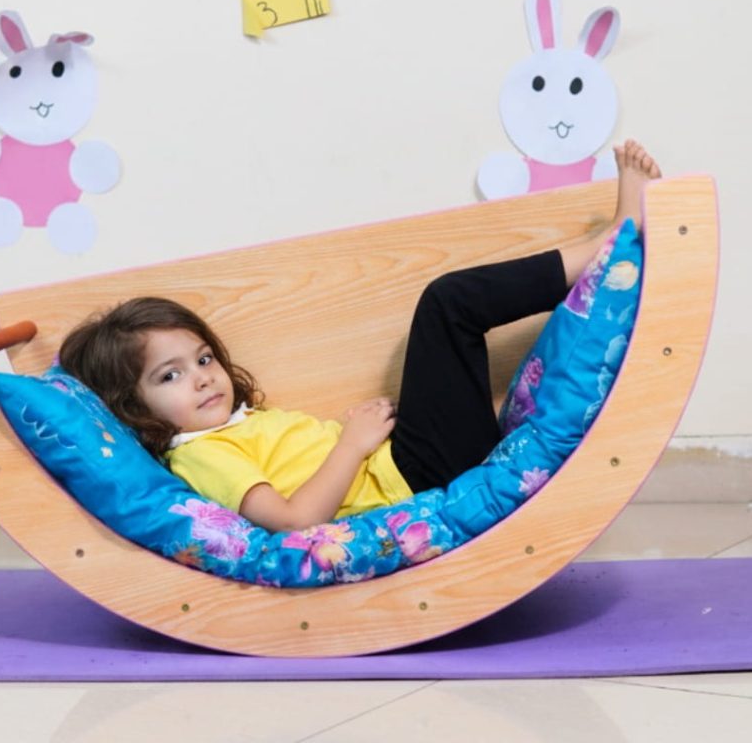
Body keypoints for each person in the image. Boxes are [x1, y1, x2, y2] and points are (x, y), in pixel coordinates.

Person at [59, 140, 661, 533]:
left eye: (203, 358)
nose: (201, 378)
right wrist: (351, 443)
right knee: (447, 304)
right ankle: (606, 247)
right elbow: (294, 521)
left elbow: (295, 463)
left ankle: (604, 248)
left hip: (405, 461)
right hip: (418, 476)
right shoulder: (201, 455)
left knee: (449, 308)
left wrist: (344, 435)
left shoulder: (228, 427)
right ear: (135, 409)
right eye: (170, 375)